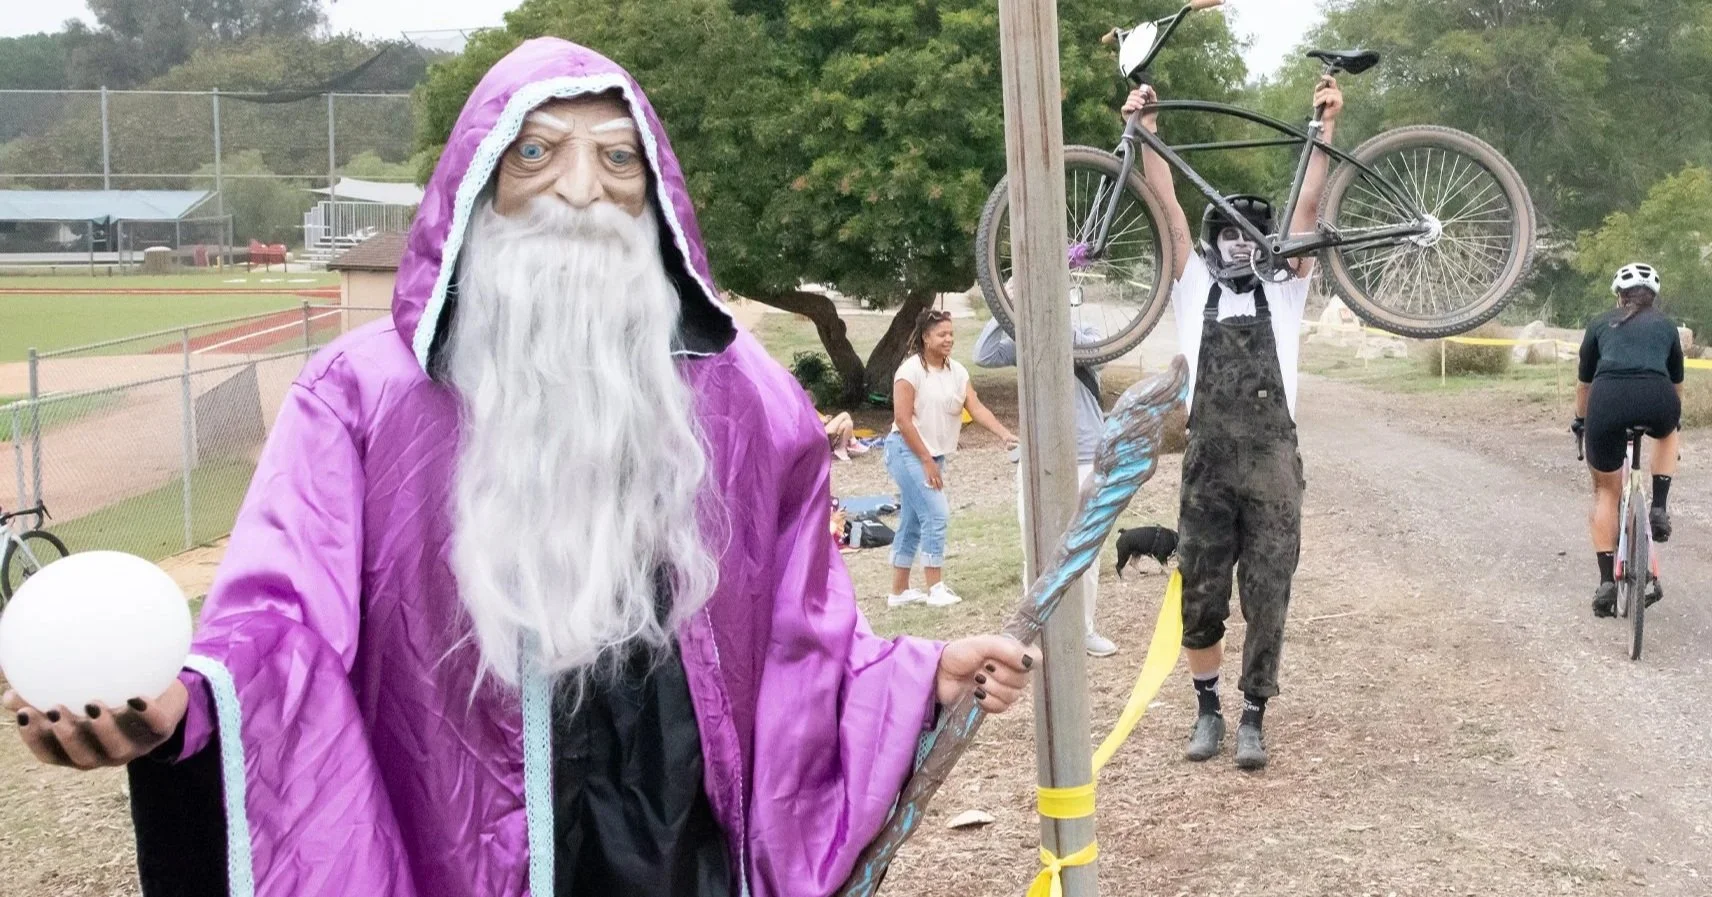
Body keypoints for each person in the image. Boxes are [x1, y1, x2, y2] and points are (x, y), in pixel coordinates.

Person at [4, 39, 1040, 897]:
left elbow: (802, 636)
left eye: (616, 159)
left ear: (658, 194)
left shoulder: (749, 400)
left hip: (678, 837)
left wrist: (914, 675)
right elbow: (282, 618)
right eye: (537, 153)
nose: (580, 189)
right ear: (479, 181)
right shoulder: (364, 397)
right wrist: (194, 710)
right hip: (455, 833)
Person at [1124, 75, 1343, 770]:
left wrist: (1325, 128)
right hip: (1208, 461)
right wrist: (1148, 126)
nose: (1239, 247)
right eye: (1228, 234)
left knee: (1269, 592)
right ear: (1216, 239)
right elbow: (1165, 203)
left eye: (1251, 235)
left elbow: (1310, 204)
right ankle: (1208, 709)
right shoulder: (1191, 282)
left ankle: (1254, 714)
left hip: (1275, 462)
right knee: (1202, 591)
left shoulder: (1289, 286)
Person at [973, 317, 1119, 657]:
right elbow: (983, 353)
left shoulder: (1089, 334)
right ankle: (1034, 628)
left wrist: (1053, 311)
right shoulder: (1028, 343)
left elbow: (1096, 354)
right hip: (1038, 454)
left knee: (1086, 546)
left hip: (1085, 455)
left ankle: (1083, 630)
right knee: (1035, 545)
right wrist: (1005, 306)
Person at [886, 308, 1018, 608]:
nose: (948, 339)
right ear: (925, 338)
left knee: (912, 520)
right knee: (936, 514)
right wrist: (926, 460)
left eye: (951, 334)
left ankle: (899, 592)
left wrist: (1004, 434)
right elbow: (903, 421)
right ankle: (936, 589)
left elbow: (977, 408)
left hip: (934, 454)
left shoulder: (957, 372)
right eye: (942, 334)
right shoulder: (910, 371)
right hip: (907, 450)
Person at [1572, 262, 1683, 617]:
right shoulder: (1666, 325)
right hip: (1657, 394)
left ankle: (1607, 581)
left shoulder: (1600, 324)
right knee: (1668, 432)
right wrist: (1669, 414)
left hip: (1607, 399)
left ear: (1619, 295)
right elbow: (1677, 384)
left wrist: (1580, 421)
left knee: (1606, 491)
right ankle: (1659, 507)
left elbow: (1584, 385)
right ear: (1653, 297)